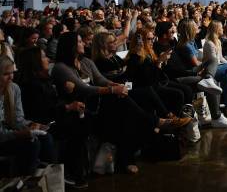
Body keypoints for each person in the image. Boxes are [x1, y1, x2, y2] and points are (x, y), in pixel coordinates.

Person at [51, 32, 155, 174]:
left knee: (135, 100)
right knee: (124, 106)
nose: (83, 44)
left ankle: (137, 145)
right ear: (71, 46)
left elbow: (100, 80)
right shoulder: (61, 68)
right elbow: (84, 89)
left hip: (99, 101)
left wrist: (116, 85)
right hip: (85, 107)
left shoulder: (85, 62)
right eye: (80, 41)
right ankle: (154, 123)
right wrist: (113, 90)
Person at [16, 47, 89, 187]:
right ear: (35, 61)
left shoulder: (44, 78)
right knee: (77, 127)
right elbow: (43, 110)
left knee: (83, 121)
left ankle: (75, 170)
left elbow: (54, 102)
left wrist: (68, 94)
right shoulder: (30, 85)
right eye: (43, 57)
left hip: (53, 116)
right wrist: (68, 106)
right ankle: (67, 172)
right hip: (43, 121)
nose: (47, 59)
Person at [0, 55, 56, 175]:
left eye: (12, 73)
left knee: (46, 137)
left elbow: (18, 119)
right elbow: (1, 135)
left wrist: (32, 125)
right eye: (5, 74)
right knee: (31, 144)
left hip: (10, 131)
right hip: (3, 136)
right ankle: (24, 181)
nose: (11, 77)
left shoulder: (14, 88)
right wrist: (21, 134)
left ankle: (48, 176)